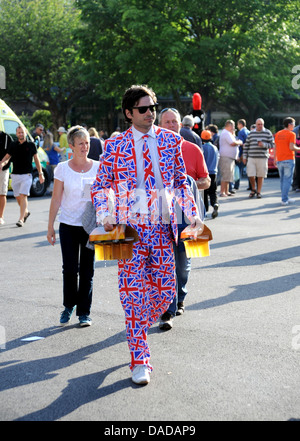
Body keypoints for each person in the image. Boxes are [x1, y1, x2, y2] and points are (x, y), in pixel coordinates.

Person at [91, 85, 203, 385]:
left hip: (163, 228)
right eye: (143, 108)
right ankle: (140, 359)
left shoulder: (170, 140)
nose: (150, 112)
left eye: (152, 106)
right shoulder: (115, 146)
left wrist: (192, 214)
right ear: (129, 113)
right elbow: (100, 185)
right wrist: (104, 213)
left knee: (167, 292)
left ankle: (138, 323)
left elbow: (181, 181)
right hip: (127, 231)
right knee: (132, 297)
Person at [158, 107, 209, 330]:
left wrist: (186, 187)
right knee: (165, 265)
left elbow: (206, 181)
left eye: (174, 122)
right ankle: (167, 309)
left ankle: (180, 296)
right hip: (160, 215)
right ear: (160, 125)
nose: (171, 125)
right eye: (166, 122)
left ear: (180, 124)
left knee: (182, 266)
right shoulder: (153, 150)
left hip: (186, 215)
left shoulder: (193, 149)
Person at [47, 125, 99, 327]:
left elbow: (105, 196)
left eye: (87, 142)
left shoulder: (98, 166)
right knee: (69, 269)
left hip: (90, 227)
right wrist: (50, 226)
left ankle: (84, 312)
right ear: (71, 146)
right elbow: (56, 199)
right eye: (81, 143)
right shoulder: (62, 169)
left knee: (87, 270)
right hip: (68, 225)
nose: (85, 146)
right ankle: (68, 306)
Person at [0, 125, 45, 227]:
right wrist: (2, 163)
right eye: (19, 132)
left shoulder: (31, 145)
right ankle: (25, 212)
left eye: (22, 132)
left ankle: (21, 219)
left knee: (23, 195)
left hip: (27, 175)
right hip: (15, 175)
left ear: (25, 132)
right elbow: (7, 157)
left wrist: (40, 173)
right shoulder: (13, 145)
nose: (21, 134)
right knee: (17, 196)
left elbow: (37, 160)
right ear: (16, 134)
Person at [243, 118, 273, 199]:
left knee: (261, 175)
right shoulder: (251, 133)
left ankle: (258, 192)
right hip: (251, 157)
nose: (260, 126)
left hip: (262, 157)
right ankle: (253, 188)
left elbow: (272, 145)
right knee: (250, 174)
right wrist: (244, 156)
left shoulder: (267, 132)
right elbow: (246, 145)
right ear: (256, 124)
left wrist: (263, 144)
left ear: (263, 124)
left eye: (261, 124)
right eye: (258, 124)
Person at [274, 117, 300, 206]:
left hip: (280, 160)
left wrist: (275, 158)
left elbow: (275, 147)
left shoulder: (278, 133)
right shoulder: (291, 134)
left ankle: (285, 197)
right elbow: (292, 147)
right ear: (289, 125)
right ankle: (284, 199)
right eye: (293, 124)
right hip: (288, 159)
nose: (294, 125)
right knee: (287, 181)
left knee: (282, 180)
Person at [218, 120, 243, 197]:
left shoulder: (228, 133)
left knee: (229, 175)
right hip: (226, 157)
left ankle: (226, 191)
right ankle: (222, 192)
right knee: (225, 174)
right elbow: (232, 143)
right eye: (233, 126)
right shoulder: (226, 133)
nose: (234, 128)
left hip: (230, 157)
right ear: (229, 126)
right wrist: (240, 142)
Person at [201, 130, 219, 218]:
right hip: (214, 171)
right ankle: (215, 203)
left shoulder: (202, 148)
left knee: (204, 191)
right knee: (213, 191)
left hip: (205, 172)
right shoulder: (215, 148)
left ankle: (205, 209)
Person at [0, 130, 12, 225]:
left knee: (2, 193)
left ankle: (1, 216)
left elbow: (10, 154)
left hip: (3, 170)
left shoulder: (6, 137)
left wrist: (3, 163)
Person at [235, 119, 250, 190]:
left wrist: (238, 155)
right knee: (249, 170)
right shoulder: (248, 132)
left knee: (238, 168)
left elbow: (240, 144)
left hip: (242, 153)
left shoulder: (241, 132)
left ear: (240, 124)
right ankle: (250, 185)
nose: (237, 126)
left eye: (238, 124)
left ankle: (236, 185)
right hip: (249, 153)